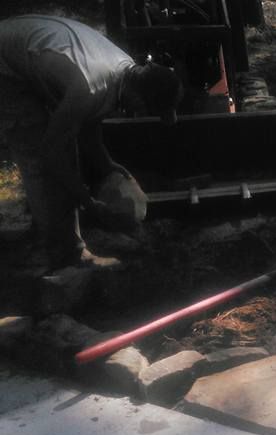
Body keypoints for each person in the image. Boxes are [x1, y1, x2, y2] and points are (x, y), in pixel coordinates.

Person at [0, 14, 183, 269]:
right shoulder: (88, 88)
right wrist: (87, 202)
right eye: (148, 110)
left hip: (28, 47)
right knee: (39, 161)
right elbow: (51, 153)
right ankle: (65, 258)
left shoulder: (124, 69)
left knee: (65, 152)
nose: (143, 114)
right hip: (6, 67)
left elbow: (88, 124)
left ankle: (52, 231)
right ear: (139, 100)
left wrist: (107, 164)